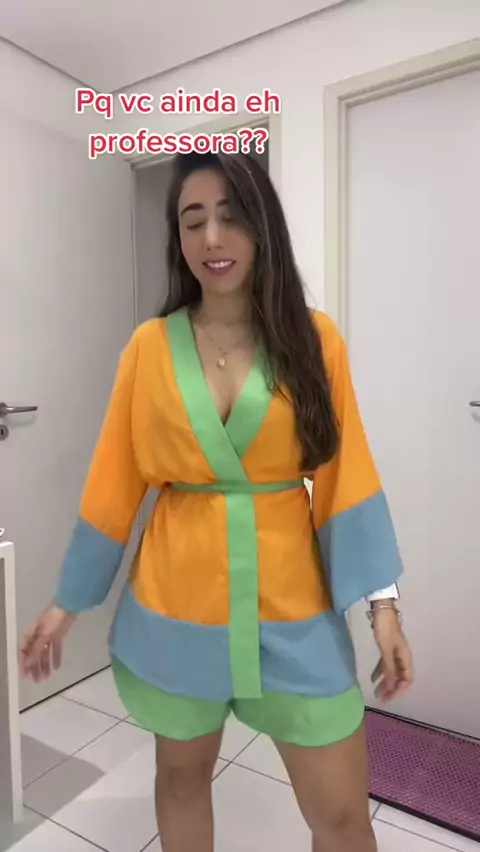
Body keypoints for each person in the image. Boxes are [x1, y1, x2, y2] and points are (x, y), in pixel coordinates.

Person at [20, 150, 413, 852]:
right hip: (177, 609)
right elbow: (113, 481)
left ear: (263, 227)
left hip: (292, 611)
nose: (211, 238)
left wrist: (383, 608)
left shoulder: (314, 340)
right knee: (181, 780)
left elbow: (346, 472)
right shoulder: (148, 348)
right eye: (192, 219)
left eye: (231, 217)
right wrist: (65, 603)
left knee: (342, 817)